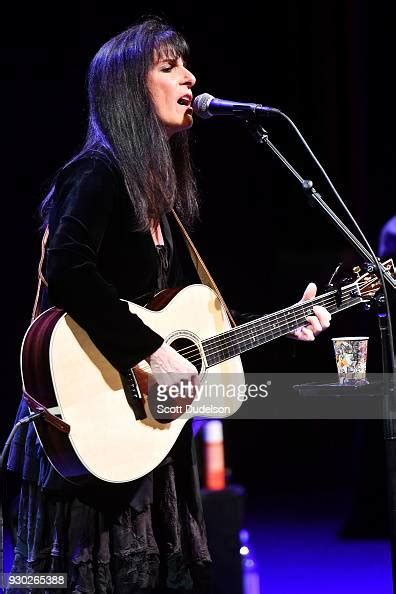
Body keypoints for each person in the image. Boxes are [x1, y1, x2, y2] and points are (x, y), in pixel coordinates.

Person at [7, 17, 331, 593]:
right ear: (130, 90)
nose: (190, 76)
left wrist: (286, 328)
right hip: (88, 428)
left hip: (143, 450)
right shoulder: (97, 172)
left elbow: (192, 333)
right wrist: (149, 351)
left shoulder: (159, 197)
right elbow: (66, 268)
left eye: (185, 64)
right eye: (169, 66)